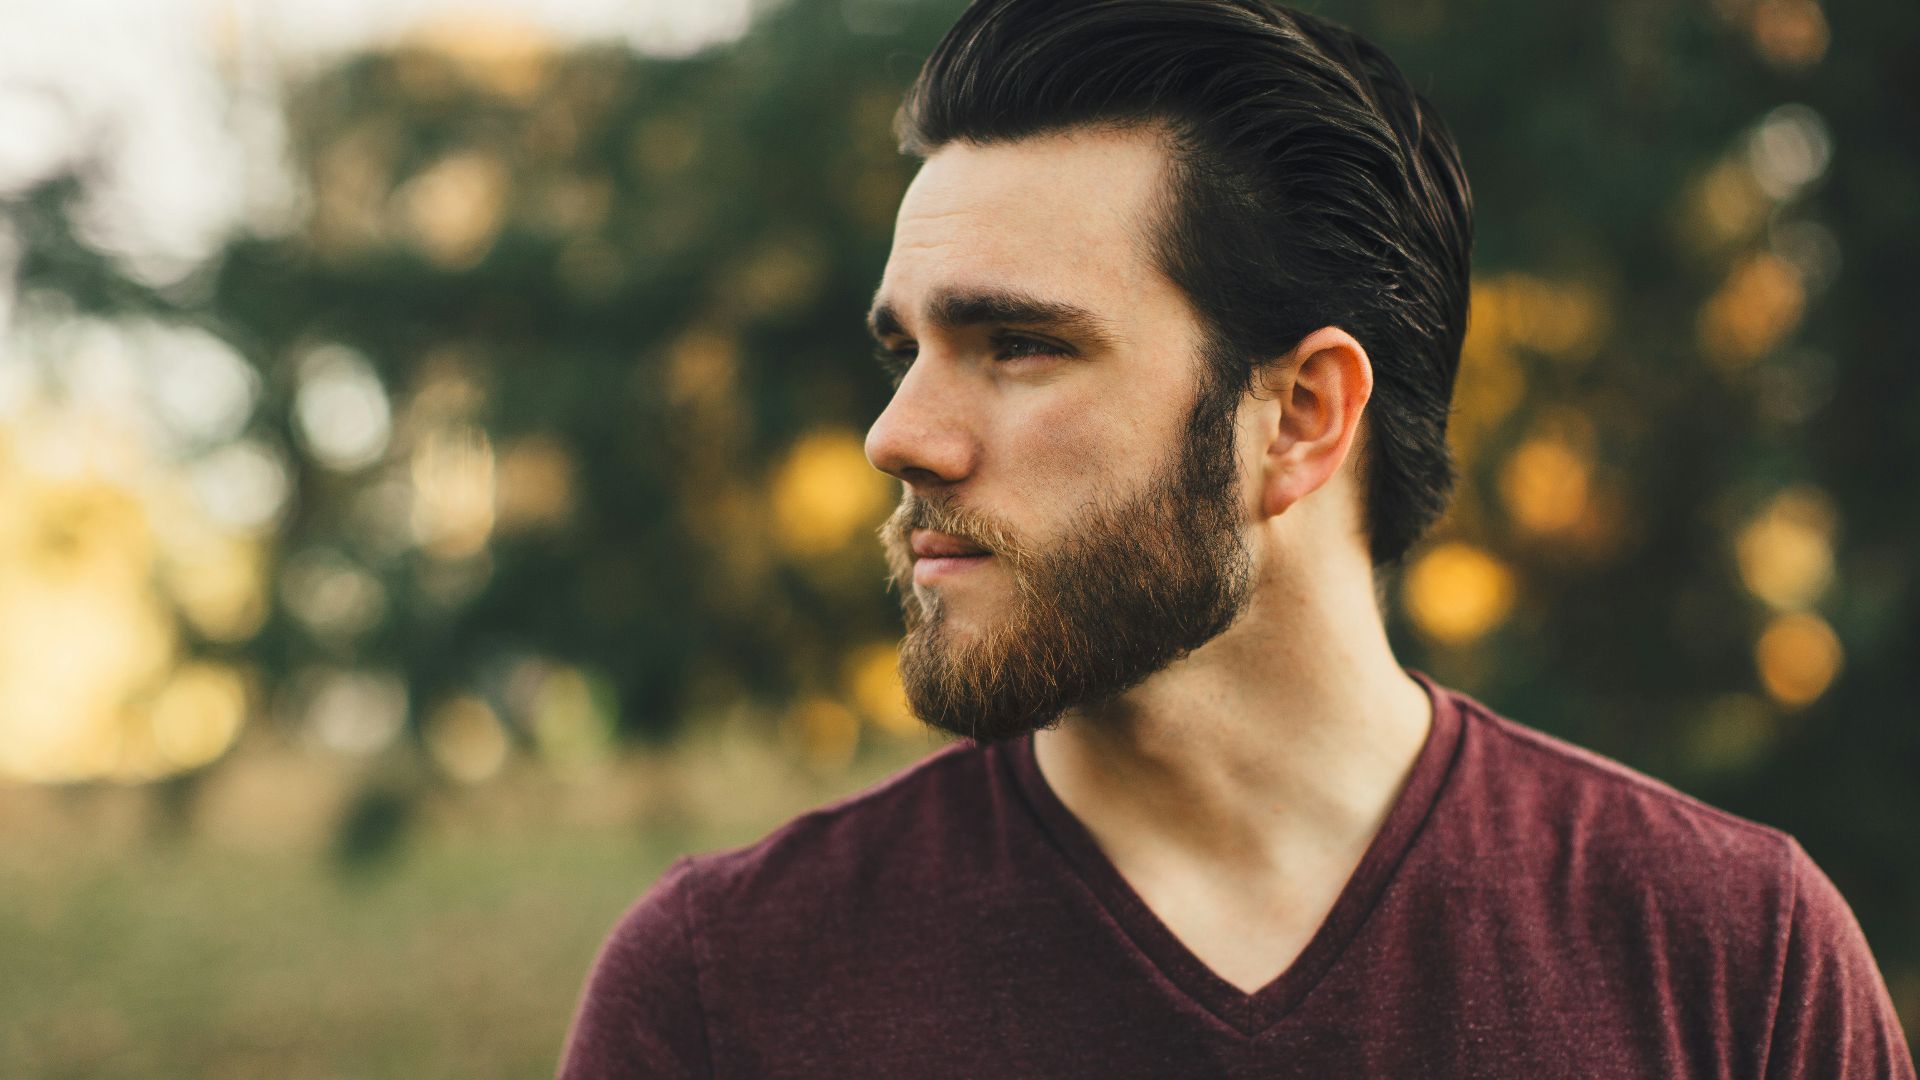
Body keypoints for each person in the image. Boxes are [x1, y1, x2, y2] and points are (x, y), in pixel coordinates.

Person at [559, 1, 1915, 1076]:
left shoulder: (1732, 963)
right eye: (903, 350)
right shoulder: (726, 992)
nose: (898, 436)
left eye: (1019, 345)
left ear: (1303, 417)